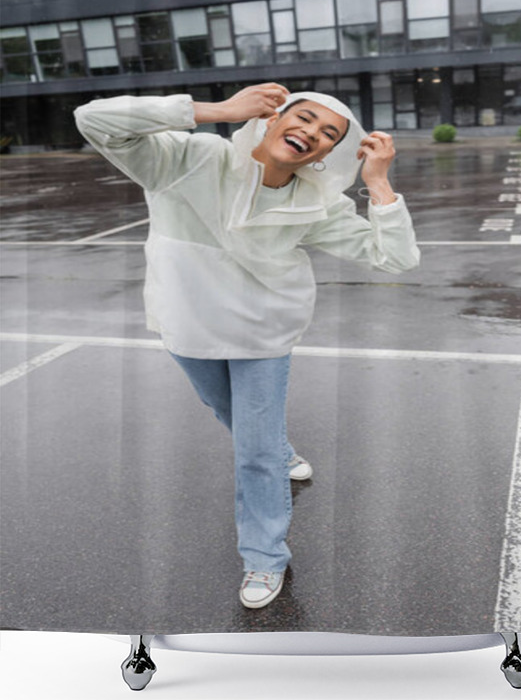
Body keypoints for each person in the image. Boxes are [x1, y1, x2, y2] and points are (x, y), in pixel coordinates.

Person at [74, 83, 420, 609]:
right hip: (188, 323)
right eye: (304, 119)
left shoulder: (315, 202)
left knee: (253, 450)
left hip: (264, 332)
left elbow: (394, 258)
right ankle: (282, 450)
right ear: (272, 118)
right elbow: (93, 118)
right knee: (226, 409)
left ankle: (264, 557)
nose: (312, 134)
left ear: (330, 154)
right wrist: (215, 111)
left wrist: (378, 182)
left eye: (329, 134)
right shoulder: (191, 158)